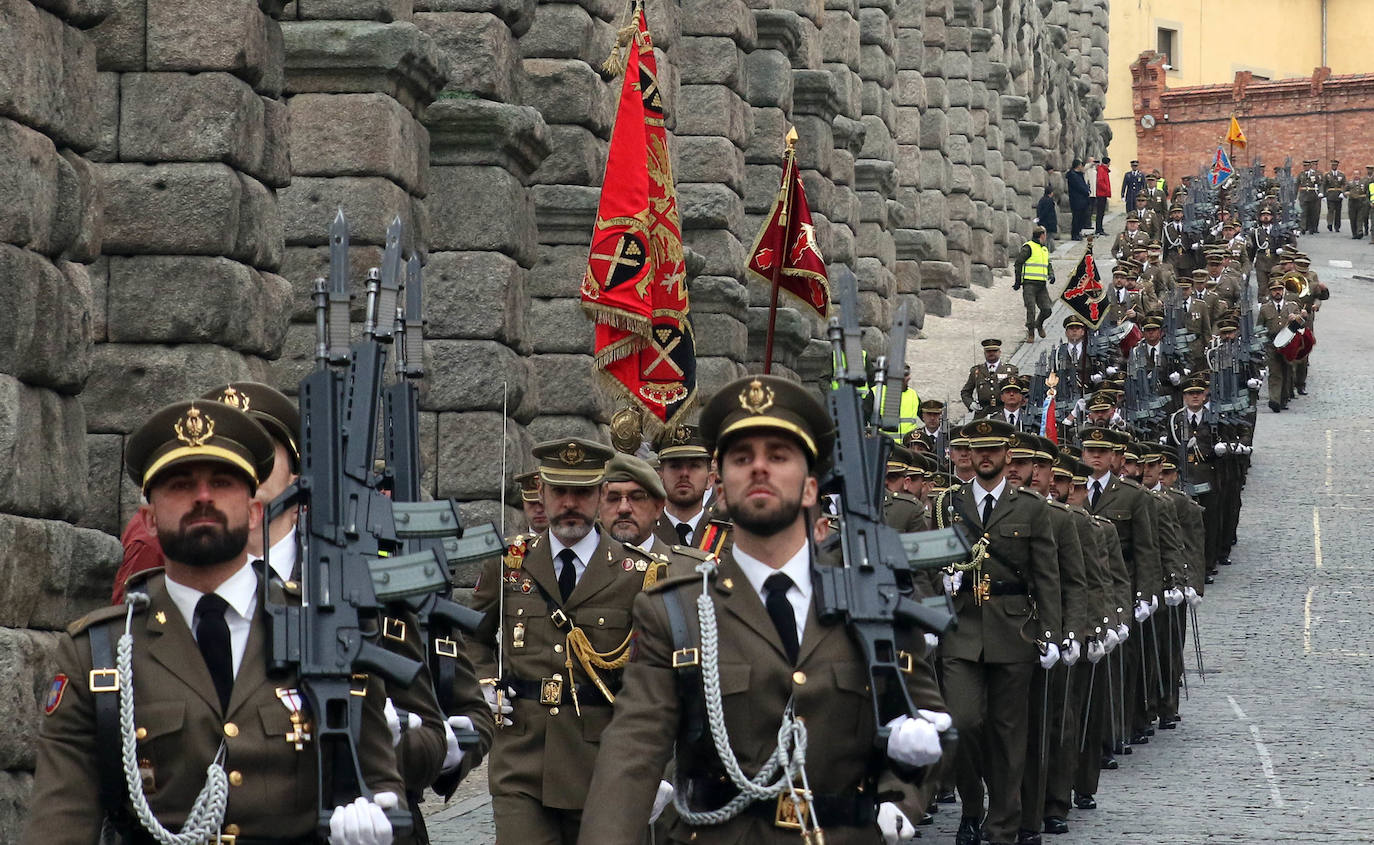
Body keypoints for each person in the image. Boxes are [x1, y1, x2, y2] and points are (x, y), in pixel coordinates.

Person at [577, 375, 949, 844]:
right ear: (723, 487)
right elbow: (632, 751)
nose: (758, 469)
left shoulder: (872, 601)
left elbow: (927, 724)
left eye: (778, 456)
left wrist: (901, 795)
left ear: (811, 488)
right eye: (741, 458)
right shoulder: (678, 610)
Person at [25, 399, 407, 845]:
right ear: (148, 518)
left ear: (254, 511)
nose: (202, 497)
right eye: (180, 485)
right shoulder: (98, 653)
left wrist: (374, 825)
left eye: (222, 483)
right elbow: (60, 819)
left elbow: (382, 787)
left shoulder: (327, 629)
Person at [468, 437, 660, 844]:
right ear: (542, 490)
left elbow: (652, 675)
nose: (570, 502)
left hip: (602, 763)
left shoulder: (636, 574)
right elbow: (470, 634)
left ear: (600, 493)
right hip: (522, 759)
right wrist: (485, 682)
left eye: (582, 491)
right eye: (560, 491)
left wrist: (651, 767)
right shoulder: (509, 563)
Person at [930, 419, 1061, 845]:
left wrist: (1051, 634)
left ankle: (1003, 823)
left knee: (1009, 733)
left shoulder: (1031, 508)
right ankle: (972, 806)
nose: (984, 457)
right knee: (963, 722)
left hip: (1013, 631)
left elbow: (1047, 577)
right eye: (977, 450)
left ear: (1008, 455)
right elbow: (930, 567)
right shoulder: (949, 504)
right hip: (962, 629)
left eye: (993, 450)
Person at [653, 425, 714, 547]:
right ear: (660, 477)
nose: (684, 474)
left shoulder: (728, 540)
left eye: (694, 466)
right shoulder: (645, 535)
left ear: (710, 480)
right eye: (675, 466)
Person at [600, 452, 670, 556]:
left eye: (636, 498)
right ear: (599, 508)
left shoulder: (688, 569)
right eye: (613, 499)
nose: (623, 508)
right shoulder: (579, 569)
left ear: (658, 507)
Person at [1013, 226, 1055, 341]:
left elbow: (1048, 264)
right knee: (1030, 309)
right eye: (1045, 234)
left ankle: (1039, 324)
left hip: (1041, 285)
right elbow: (1018, 263)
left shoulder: (1044, 249)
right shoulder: (1028, 247)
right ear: (1042, 235)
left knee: (1047, 309)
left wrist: (1051, 274)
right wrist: (1018, 281)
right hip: (1029, 284)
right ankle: (1031, 332)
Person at [962, 338, 1020, 418]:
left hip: (1003, 412)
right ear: (984, 353)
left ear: (999, 352)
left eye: (994, 351)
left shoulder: (1010, 371)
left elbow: (1018, 392)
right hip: (983, 413)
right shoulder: (977, 371)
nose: (991, 353)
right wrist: (970, 403)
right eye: (988, 351)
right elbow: (965, 392)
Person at [1066, 160, 1090, 240]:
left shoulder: (1079, 175)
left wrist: (1087, 190)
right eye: (1081, 165)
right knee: (1076, 218)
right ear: (1078, 166)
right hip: (1076, 200)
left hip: (1082, 200)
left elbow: (1083, 184)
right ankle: (1075, 234)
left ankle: (1078, 232)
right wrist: (1086, 191)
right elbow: (1079, 186)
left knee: (1081, 218)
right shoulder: (1073, 175)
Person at [1297, 160, 1321, 234]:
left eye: (1307, 166)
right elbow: (1296, 185)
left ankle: (1311, 228)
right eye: (1304, 166)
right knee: (1303, 213)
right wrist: (1295, 196)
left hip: (1312, 196)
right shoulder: (1301, 174)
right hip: (1303, 196)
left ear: (1310, 166)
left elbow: (1320, 184)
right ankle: (1303, 228)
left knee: (1312, 213)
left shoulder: (1315, 174)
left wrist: (1320, 192)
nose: (1305, 167)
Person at [1322, 158, 1346, 232]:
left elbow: (1345, 184)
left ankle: (1337, 226)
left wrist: (1343, 193)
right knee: (1331, 210)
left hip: (1338, 195)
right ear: (1331, 166)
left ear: (1337, 166)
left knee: (1338, 212)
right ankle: (1329, 223)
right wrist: (1324, 195)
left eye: (1335, 165)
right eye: (1333, 165)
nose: (1334, 166)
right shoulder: (1327, 175)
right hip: (1330, 195)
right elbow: (1324, 185)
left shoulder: (1341, 175)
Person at [1035, 185, 1058, 252]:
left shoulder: (1041, 200)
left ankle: (1048, 250)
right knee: (1048, 238)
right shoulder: (1049, 201)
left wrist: (1039, 219)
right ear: (1051, 193)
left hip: (1043, 222)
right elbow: (1046, 212)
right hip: (1048, 223)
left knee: (1045, 238)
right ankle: (1047, 251)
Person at [1094, 156, 1111, 235]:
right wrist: (1106, 190)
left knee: (1101, 213)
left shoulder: (1103, 170)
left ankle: (1100, 228)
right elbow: (1100, 182)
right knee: (1100, 213)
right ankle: (1098, 229)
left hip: (1103, 194)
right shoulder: (1102, 170)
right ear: (1107, 163)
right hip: (1101, 194)